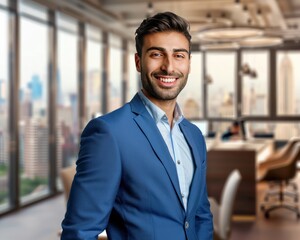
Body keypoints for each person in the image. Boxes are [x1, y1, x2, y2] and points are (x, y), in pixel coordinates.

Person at [61, 12, 213, 240]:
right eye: (156, 54)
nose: (169, 67)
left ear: (189, 63)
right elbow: (79, 232)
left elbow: (200, 215)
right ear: (138, 61)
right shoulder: (109, 133)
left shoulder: (194, 136)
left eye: (179, 55)